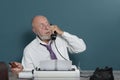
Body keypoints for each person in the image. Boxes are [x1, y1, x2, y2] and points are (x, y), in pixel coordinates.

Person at [10, 15, 86, 74]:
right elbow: (29, 74)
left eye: (48, 24)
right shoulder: (29, 50)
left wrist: (62, 33)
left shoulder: (61, 39)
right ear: (34, 31)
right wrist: (20, 71)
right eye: (41, 26)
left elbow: (81, 47)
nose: (47, 28)